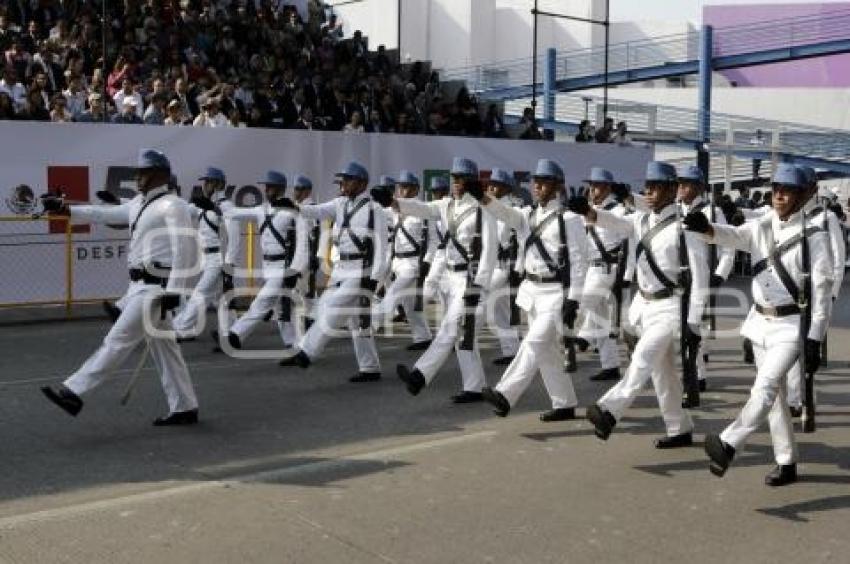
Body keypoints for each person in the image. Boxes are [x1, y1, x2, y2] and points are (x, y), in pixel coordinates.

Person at [685, 163, 833, 486]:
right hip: (760, 322)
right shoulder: (763, 226)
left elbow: (821, 293)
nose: (779, 195)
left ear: (802, 195)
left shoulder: (815, 236)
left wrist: (815, 337)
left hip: (792, 325)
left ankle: (728, 444)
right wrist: (705, 228)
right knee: (775, 398)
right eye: (776, 189)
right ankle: (786, 461)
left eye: (787, 190)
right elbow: (734, 236)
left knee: (764, 388)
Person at [40, 149, 200, 426]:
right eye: (137, 171)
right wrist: (66, 209)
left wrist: (175, 290)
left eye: (144, 171)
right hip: (139, 285)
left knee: (118, 339)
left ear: (160, 174)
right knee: (166, 350)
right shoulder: (139, 202)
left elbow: (184, 247)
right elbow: (104, 213)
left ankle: (73, 391)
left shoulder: (174, 205)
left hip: (156, 290)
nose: (137, 176)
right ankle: (185, 406)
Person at [570, 161, 709, 449]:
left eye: (657, 186)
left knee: (643, 358)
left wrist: (694, 321)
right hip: (644, 305)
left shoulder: (686, 227)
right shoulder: (640, 221)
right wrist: (588, 212)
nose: (650, 192)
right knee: (663, 372)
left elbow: (700, 276)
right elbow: (613, 221)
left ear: (672, 190)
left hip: (671, 307)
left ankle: (610, 410)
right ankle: (679, 428)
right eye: (648, 186)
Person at [475, 159, 587, 421]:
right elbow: (503, 213)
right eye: (535, 181)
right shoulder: (526, 215)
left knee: (534, 343)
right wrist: (481, 196)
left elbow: (580, 262)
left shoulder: (569, 219)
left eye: (544, 181)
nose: (537, 185)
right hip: (532, 290)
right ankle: (564, 403)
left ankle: (505, 394)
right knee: (546, 352)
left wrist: (574, 299)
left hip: (555, 292)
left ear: (557, 186)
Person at [378, 157, 497, 403]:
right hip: (451, 277)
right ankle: (474, 387)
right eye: (454, 177)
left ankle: (419, 375)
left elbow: (490, 250)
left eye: (461, 178)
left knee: (449, 329)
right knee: (465, 337)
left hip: (470, 279)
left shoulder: (484, 209)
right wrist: (393, 202)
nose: (456, 182)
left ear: (472, 181)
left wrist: (478, 285)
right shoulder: (445, 205)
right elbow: (423, 209)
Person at [281, 162, 389, 383]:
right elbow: (317, 210)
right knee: (352, 320)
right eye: (342, 180)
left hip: (361, 271)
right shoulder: (339, 204)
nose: (343, 184)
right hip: (341, 270)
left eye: (348, 180)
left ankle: (307, 351)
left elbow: (382, 248)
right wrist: (295, 207)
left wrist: (374, 280)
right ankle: (370, 368)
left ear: (361, 184)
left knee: (334, 308)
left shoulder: (374, 209)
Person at [222, 170, 309, 350]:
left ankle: (235, 334)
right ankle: (294, 345)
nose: (266, 189)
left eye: (270, 186)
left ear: (279, 189)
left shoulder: (292, 213)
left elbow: (301, 246)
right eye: (266, 186)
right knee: (280, 308)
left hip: (282, 267)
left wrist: (295, 269)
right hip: (267, 266)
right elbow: (236, 213)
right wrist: (216, 207)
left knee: (262, 302)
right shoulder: (261, 209)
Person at [676, 165, 735, 399]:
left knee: (693, 329)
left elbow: (728, 245)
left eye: (687, 183)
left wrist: (720, 275)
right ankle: (689, 374)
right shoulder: (672, 210)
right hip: (676, 279)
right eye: (680, 183)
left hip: (700, 278)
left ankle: (696, 377)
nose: (681, 187)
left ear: (699, 187)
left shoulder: (712, 211)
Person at [574, 167, 631, 382]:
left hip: (609, 268)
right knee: (601, 320)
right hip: (591, 267)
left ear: (608, 188)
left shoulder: (618, 210)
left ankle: (581, 339)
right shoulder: (585, 210)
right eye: (591, 185)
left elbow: (623, 236)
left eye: (597, 186)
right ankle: (611, 365)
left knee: (582, 303)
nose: (592, 189)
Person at [172, 167, 239, 342]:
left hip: (218, 258)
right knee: (220, 299)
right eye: (205, 182)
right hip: (208, 258)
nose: (205, 185)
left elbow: (235, 237)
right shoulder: (203, 205)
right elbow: (183, 211)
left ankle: (181, 328)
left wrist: (229, 264)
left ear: (219, 184)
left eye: (209, 182)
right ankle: (230, 334)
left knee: (200, 293)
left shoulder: (226, 207)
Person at [373, 171, 436, 350]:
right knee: (409, 305)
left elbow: (433, 240)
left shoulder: (425, 209)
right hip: (397, 262)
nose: (402, 190)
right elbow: (378, 211)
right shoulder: (394, 209)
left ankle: (370, 324)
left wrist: (428, 262)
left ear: (416, 188)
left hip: (413, 263)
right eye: (400, 187)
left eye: (406, 186)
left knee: (392, 294)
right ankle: (423, 337)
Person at [484, 168, 521, 365]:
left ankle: (463, 335)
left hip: (504, 265)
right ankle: (511, 349)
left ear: (505, 188)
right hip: (492, 263)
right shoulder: (489, 208)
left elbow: (515, 240)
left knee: (484, 295)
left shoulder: (510, 210)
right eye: (490, 184)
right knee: (500, 308)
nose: (490, 187)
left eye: (495, 184)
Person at [422, 176, 451, 308]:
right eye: (433, 191)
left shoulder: (452, 207)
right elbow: (432, 238)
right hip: (438, 253)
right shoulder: (431, 210)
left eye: (437, 191)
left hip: (453, 253)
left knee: (446, 287)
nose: (434, 194)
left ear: (445, 191)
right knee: (434, 284)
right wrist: (428, 258)